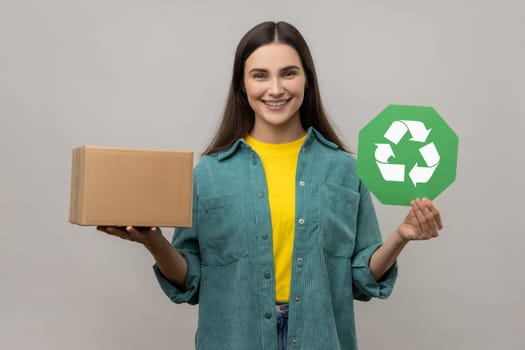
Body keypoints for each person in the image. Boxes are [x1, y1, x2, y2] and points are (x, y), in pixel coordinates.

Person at [97, 21, 443, 350]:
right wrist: (153, 241)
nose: (275, 89)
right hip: (234, 336)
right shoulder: (209, 173)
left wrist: (402, 236)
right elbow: (191, 281)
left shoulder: (345, 170)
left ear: (307, 81)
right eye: (260, 75)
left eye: (288, 73)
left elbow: (360, 277)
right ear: (242, 86)